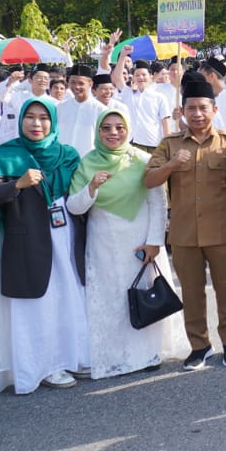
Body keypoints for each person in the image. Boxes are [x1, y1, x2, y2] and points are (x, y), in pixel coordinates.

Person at [67, 110, 187, 377]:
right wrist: (91, 188)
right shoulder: (87, 163)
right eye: (106, 128)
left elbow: (158, 202)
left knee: (145, 294)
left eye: (119, 127)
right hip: (103, 243)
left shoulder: (143, 159)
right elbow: (74, 207)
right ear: (98, 131)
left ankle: (149, 353)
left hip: (140, 240)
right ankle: (117, 357)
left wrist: (155, 241)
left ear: (128, 129)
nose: (113, 133)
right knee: (113, 300)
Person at [0, 97, 88, 394]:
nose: (36, 124)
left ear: (53, 122)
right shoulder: (6, 155)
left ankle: (71, 356)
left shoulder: (67, 154)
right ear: (20, 121)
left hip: (64, 236)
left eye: (43, 118)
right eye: (29, 117)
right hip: (27, 237)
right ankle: (42, 365)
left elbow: (79, 193)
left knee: (67, 295)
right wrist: (16, 184)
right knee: (36, 304)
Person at [146, 80, 226, 369]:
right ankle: (199, 346)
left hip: (223, 230)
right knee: (191, 292)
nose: (198, 114)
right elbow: (149, 180)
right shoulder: (169, 145)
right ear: (182, 111)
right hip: (184, 232)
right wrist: (170, 166)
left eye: (203, 108)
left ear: (214, 109)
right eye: (191, 108)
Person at [56, 64, 106, 156]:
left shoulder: (100, 110)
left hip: (88, 161)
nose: (76, 87)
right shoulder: (61, 107)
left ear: (90, 84)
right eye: (73, 82)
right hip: (63, 160)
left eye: (81, 83)